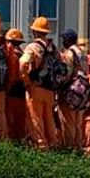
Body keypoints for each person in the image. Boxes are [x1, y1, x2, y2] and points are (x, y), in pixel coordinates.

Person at [19, 16, 61, 150]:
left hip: (36, 87)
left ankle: (41, 145)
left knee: (35, 117)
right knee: (49, 118)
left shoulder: (33, 47)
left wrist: (26, 81)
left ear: (34, 32)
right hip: (50, 89)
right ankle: (53, 143)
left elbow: (23, 62)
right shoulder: (54, 48)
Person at [57, 28, 88, 151]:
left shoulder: (69, 54)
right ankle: (78, 147)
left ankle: (70, 148)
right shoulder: (83, 54)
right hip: (82, 92)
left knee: (68, 121)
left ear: (67, 40)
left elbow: (66, 74)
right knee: (78, 123)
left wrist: (59, 87)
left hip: (70, 92)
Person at [4, 29, 28, 142]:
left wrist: (8, 87)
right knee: (21, 117)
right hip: (22, 89)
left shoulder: (12, 54)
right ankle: (20, 139)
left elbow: (13, 74)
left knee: (11, 117)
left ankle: (12, 140)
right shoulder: (22, 53)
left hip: (12, 89)